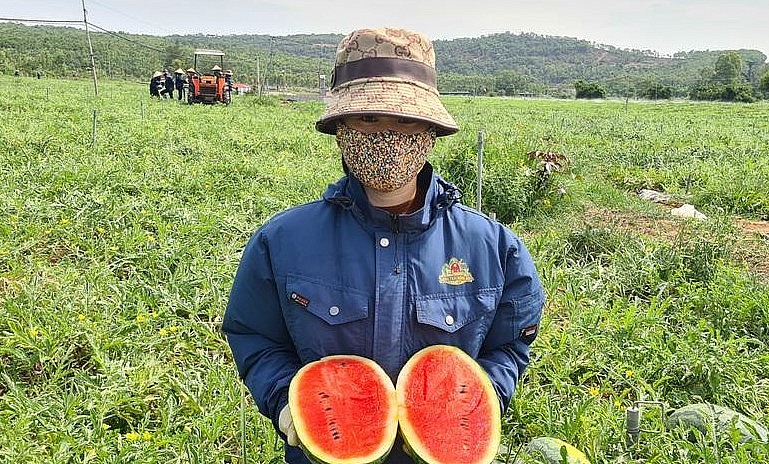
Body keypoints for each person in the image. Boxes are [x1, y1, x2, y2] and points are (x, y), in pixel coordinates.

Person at [222, 27, 545, 464]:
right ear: (340, 128)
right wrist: (284, 401)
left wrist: (477, 401)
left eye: (405, 120)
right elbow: (254, 336)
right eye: (368, 119)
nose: (387, 136)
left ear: (429, 130)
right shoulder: (280, 242)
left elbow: (510, 345)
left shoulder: (495, 248)